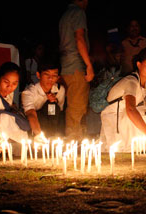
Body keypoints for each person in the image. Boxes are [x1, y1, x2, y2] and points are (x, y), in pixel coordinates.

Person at [59, 0, 94, 141]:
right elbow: (79, 37)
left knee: (73, 104)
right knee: (77, 106)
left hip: (66, 64)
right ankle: (73, 140)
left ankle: (74, 139)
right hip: (76, 65)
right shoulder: (78, 12)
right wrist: (88, 65)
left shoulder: (65, 15)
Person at [22, 57, 65, 139]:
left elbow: (60, 113)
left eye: (54, 75)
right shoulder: (29, 92)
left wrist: (54, 102)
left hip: (51, 126)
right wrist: (39, 135)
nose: (50, 79)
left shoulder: (60, 90)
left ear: (58, 78)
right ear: (38, 75)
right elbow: (31, 114)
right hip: (31, 126)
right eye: (47, 74)